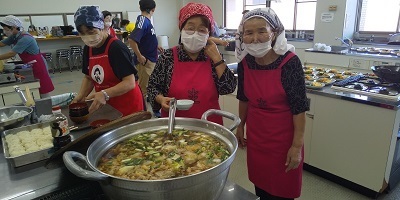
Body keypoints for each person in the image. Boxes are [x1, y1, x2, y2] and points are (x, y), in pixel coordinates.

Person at [235, 8, 309, 200]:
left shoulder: (290, 62)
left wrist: (296, 147)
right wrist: (240, 125)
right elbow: (243, 98)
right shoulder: (245, 63)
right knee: (261, 188)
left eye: (262, 31)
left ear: (274, 32)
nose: (255, 38)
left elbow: (299, 108)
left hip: (283, 142)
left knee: (282, 192)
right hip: (257, 138)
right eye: (248, 33)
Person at [147, 2, 237, 124]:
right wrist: (160, 99)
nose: (195, 34)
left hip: (209, 126)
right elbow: (153, 87)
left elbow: (229, 88)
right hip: (174, 125)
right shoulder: (167, 57)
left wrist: (217, 58)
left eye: (201, 30)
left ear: (208, 34)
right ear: (181, 29)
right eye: (190, 28)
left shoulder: (213, 58)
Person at [71, 6, 144, 116]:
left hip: (127, 104)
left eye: (91, 31)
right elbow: (88, 78)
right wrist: (81, 96)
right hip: (107, 104)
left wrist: (104, 94)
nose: (88, 37)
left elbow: (130, 82)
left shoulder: (116, 48)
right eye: (82, 33)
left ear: (100, 26)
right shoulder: (88, 48)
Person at [0, 15, 54, 98]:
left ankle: (47, 106)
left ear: (14, 27)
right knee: (34, 89)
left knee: (42, 89)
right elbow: (1, 43)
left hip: (37, 65)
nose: (5, 31)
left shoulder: (25, 38)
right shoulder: (14, 36)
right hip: (29, 64)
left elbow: (12, 54)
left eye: (6, 29)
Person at [128, 0, 161, 117]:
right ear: (152, 9)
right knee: (144, 90)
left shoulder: (147, 21)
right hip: (146, 62)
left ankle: (154, 110)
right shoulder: (142, 20)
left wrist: (156, 46)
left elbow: (146, 39)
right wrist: (139, 56)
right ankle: (142, 114)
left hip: (151, 59)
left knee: (152, 86)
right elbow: (132, 39)